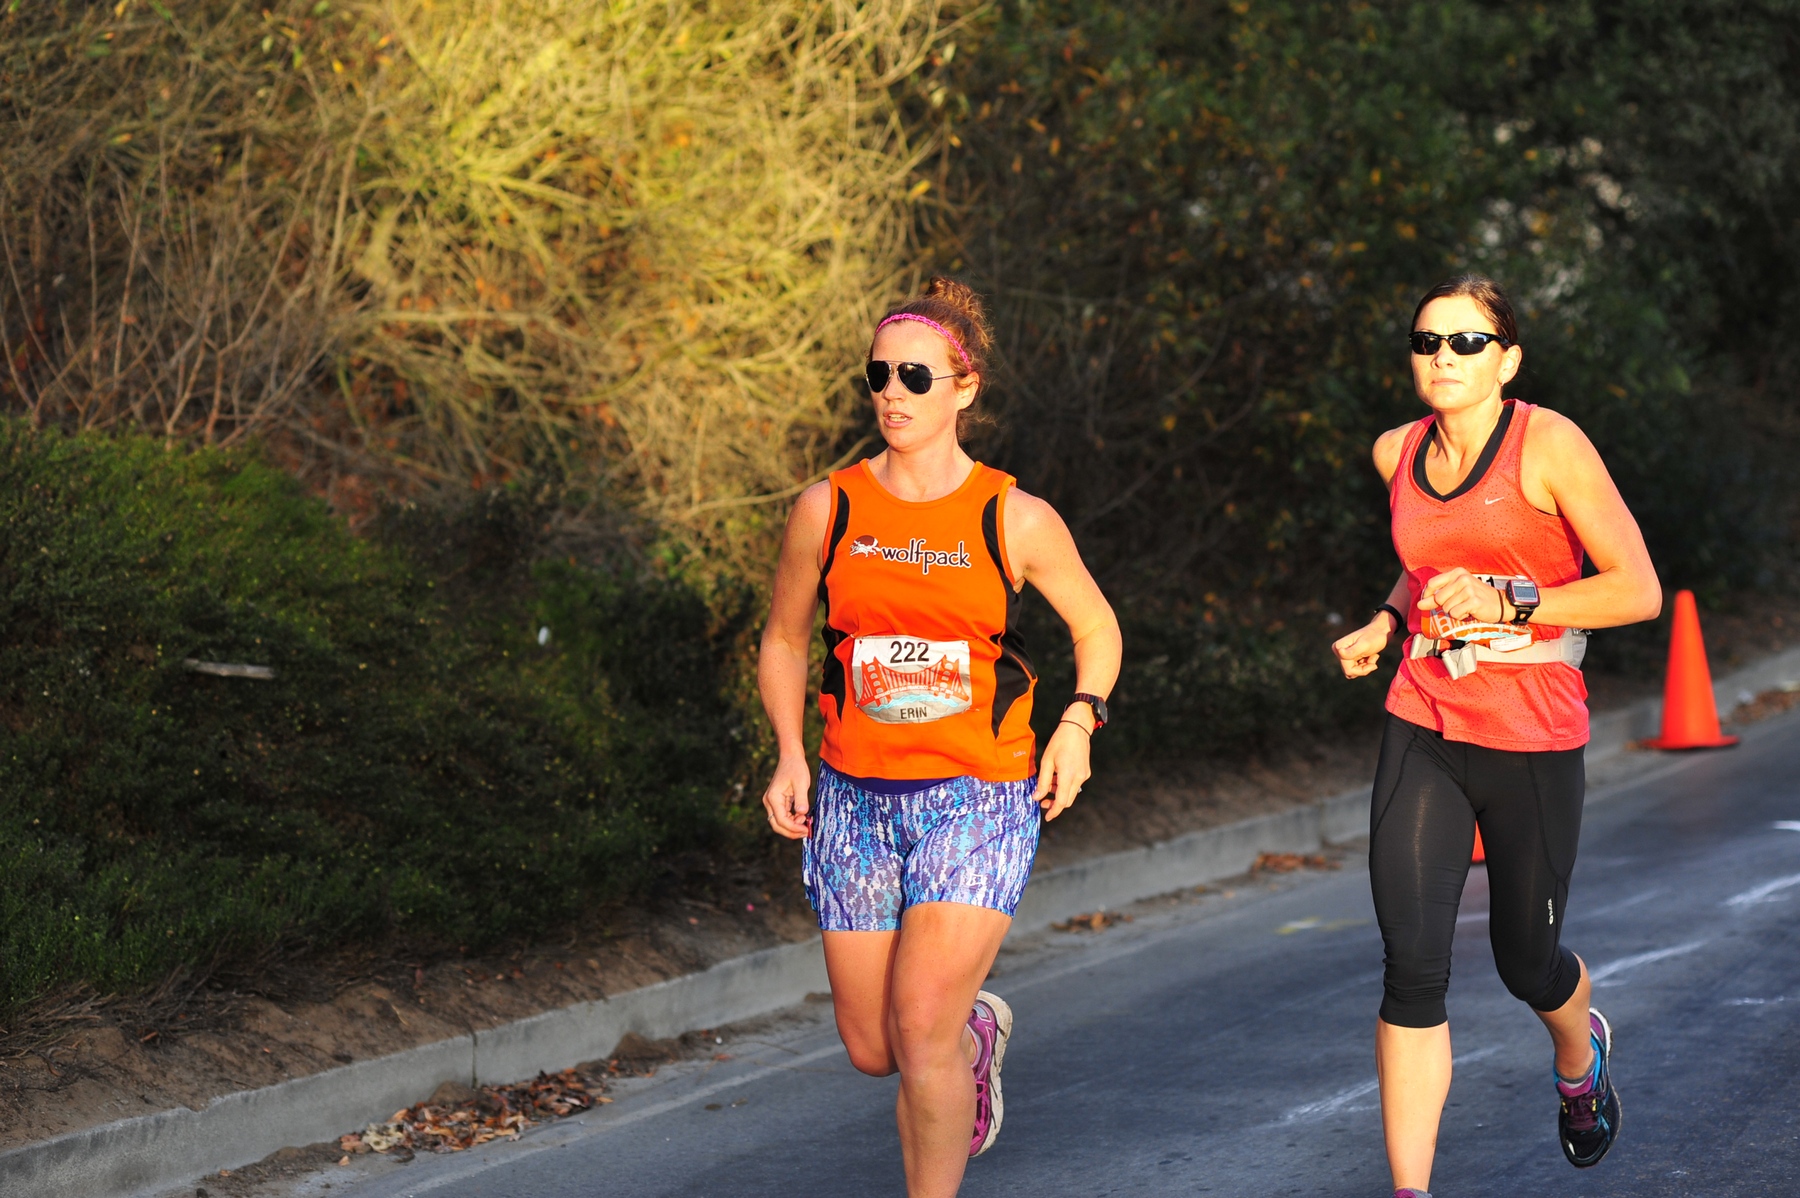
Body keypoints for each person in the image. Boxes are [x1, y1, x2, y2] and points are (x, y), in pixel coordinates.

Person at [758, 277, 1121, 1197]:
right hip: (853, 795)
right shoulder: (827, 509)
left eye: (915, 375)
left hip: (979, 794)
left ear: (964, 388)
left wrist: (1077, 723)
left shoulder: (1012, 515)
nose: (892, 391)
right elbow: (786, 639)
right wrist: (790, 753)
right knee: (875, 1047)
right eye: (878, 373)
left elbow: (1098, 629)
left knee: (916, 1030)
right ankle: (976, 1038)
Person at [1331, 275, 1660, 1197]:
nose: (1443, 357)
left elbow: (1636, 588)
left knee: (1526, 961)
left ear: (1506, 361)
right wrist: (1388, 624)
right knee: (1411, 970)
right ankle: (1411, 1190)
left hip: (1533, 730)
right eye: (1427, 340)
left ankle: (1577, 1057)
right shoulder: (1395, 450)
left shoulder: (1548, 445)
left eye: (1468, 343)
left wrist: (1512, 596)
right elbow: (1422, 570)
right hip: (1424, 719)